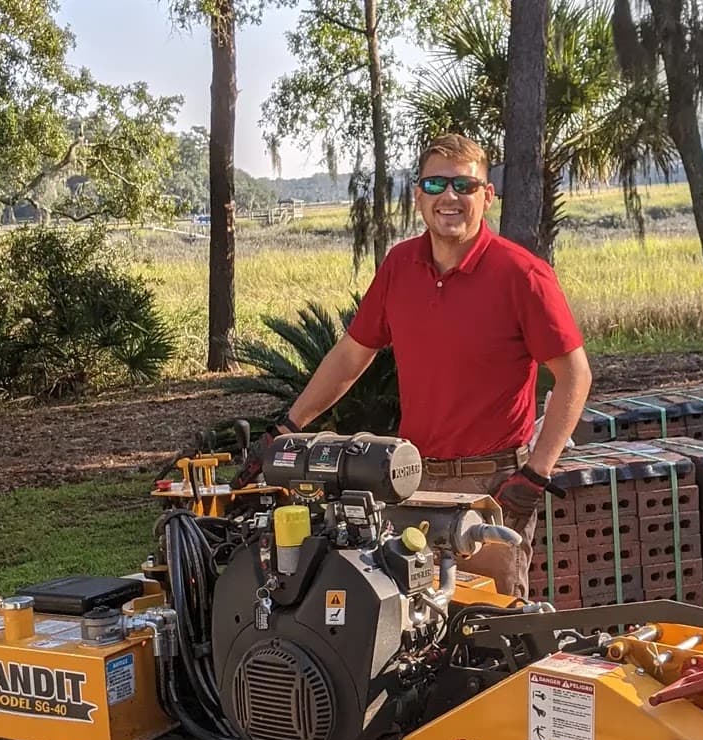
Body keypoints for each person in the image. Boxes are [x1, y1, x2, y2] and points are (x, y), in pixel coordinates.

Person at [245, 133, 592, 597]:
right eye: (434, 185)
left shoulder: (522, 275)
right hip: (410, 479)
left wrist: (534, 475)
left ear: (487, 196)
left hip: (490, 487)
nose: (449, 196)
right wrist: (288, 426)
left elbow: (575, 375)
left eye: (464, 186)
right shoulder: (399, 266)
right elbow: (352, 354)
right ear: (417, 196)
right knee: (412, 622)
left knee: (487, 623)